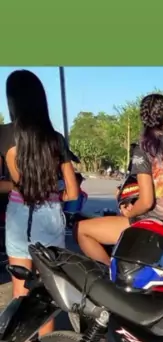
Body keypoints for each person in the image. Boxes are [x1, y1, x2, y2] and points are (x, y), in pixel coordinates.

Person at [0, 70, 79, 307]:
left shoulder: (3, 134)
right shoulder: (55, 138)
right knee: (47, 293)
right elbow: (73, 193)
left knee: (20, 291)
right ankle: (46, 333)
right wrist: (54, 194)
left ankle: (19, 332)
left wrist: (16, 186)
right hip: (50, 216)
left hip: (18, 216)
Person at [77, 94, 163, 265]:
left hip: (149, 223)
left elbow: (147, 202)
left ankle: (110, 274)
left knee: (81, 230)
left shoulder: (144, 148)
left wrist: (129, 212)